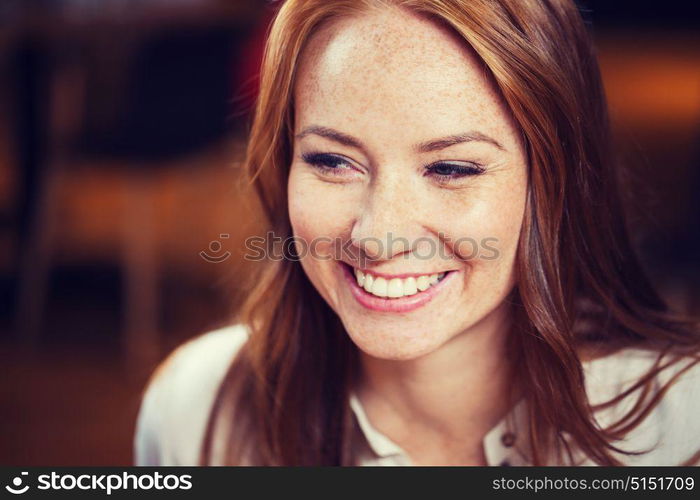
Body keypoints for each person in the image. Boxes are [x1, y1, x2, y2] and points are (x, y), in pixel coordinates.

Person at [134, 0, 700, 466]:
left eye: (451, 169)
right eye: (332, 161)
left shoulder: (683, 427)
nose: (379, 237)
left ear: (555, 183)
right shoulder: (193, 410)